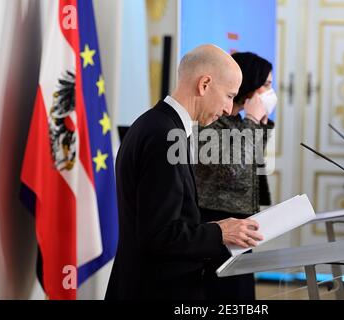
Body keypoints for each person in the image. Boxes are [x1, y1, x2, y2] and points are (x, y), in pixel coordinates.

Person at [105, 45, 264, 300]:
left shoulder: (160, 125)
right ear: (204, 84)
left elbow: (165, 221)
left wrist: (217, 226)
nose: (228, 108)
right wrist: (221, 232)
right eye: (229, 96)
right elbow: (158, 235)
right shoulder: (165, 135)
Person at [193, 52, 276, 300]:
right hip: (215, 221)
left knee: (241, 294)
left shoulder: (238, 120)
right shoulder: (211, 121)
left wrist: (259, 122)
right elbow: (232, 168)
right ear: (250, 85)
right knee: (223, 294)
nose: (270, 92)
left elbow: (253, 162)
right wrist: (252, 120)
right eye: (267, 85)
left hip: (240, 220)